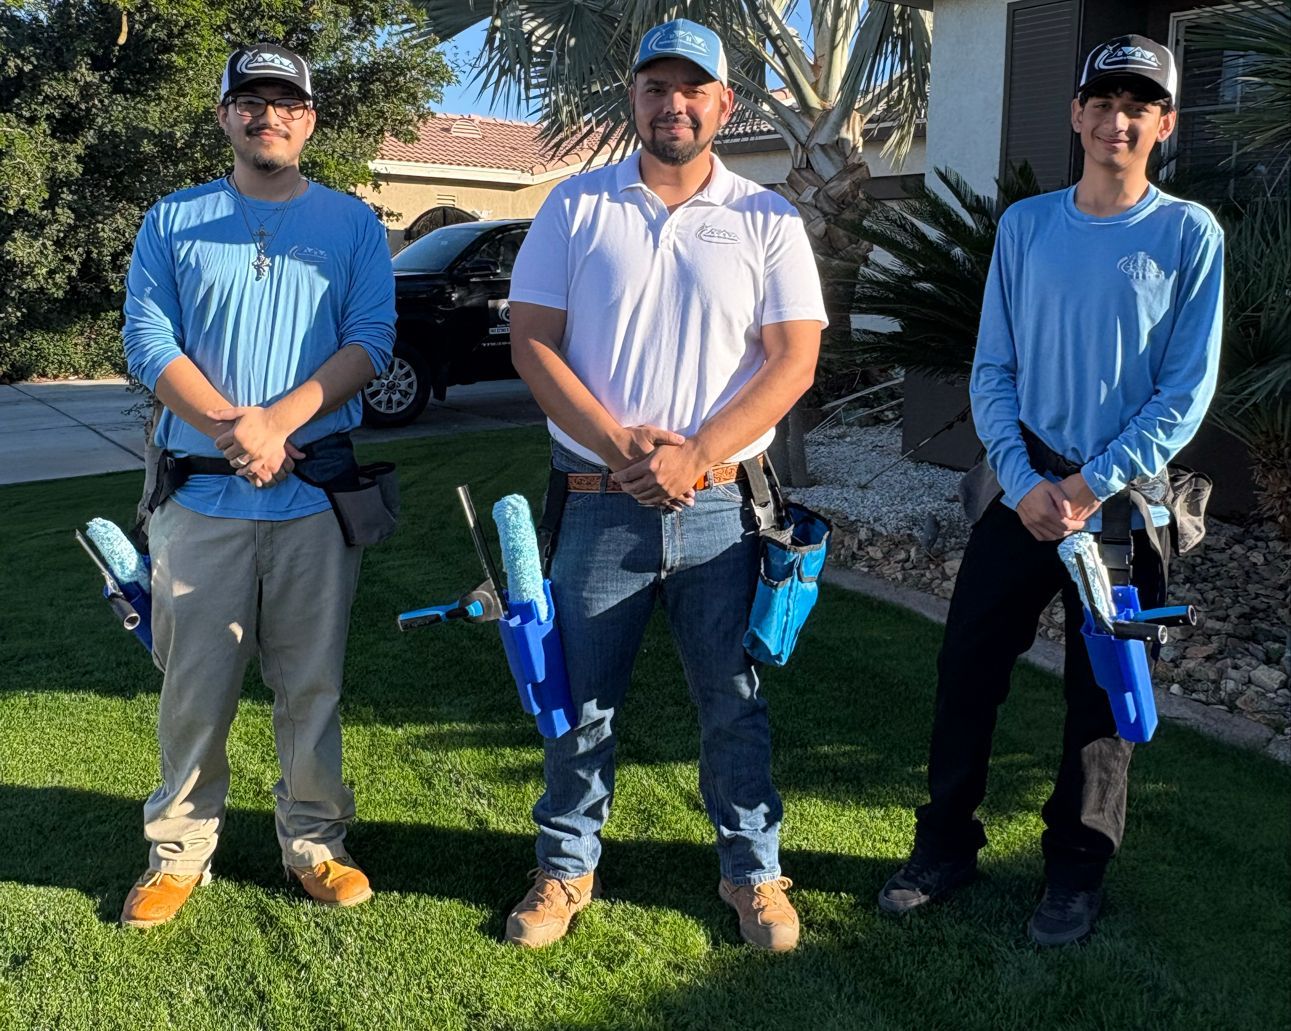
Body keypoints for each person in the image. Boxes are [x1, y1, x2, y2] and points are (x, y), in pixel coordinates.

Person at [879, 34, 1224, 945]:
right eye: (1101, 103)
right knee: (966, 671)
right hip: (1021, 487)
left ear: (1164, 126)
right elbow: (992, 367)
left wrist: (1087, 483)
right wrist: (1030, 481)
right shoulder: (1026, 226)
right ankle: (944, 843)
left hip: (1124, 498)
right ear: (1075, 114)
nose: (1117, 120)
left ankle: (1075, 871)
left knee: (1101, 697)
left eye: (1137, 107)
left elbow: (1184, 392)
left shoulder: (1188, 233)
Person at [504, 18, 826, 952]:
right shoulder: (575, 207)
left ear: (725, 105)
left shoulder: (766, 217)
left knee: (733, 700)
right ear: (633, 98)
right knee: (578, 701)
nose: (673, 104)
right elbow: (533, 340)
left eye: (693, 89)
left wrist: (693, 453)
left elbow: (793, 358)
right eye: (656, 86)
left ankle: (753, 872)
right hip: (600, 503)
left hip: (724, 505)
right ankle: (564, 867)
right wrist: (618, 446)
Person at [119, 43, 396, 928]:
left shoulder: (352, 225)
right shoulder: (173, 218)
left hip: (312, 495)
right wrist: (234, 431)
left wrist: (276, 423)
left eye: (286, 102)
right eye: (251, 100)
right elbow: (149, 344)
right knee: (193, 688)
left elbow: (371, 341)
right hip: (200, 496)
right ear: (224, 115)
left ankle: (315, 841)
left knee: (310, 684)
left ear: (309, 120)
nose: (268, 115)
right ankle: (179, 850)